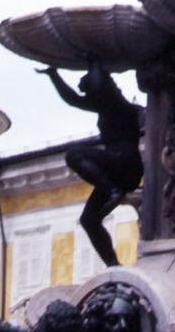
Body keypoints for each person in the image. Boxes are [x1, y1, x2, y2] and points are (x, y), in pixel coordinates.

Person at [38, 61, 143, 269]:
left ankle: (112, 190)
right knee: (88, 220)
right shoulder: (104, 106)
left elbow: (97, 82)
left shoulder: (117, 103)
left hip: (125, 164)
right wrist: (54, 75)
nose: (80, 85)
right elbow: (72, 99)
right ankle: (113, 265)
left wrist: (93, 60)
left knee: (74, 155)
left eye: (83, 81)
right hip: (116, 170)